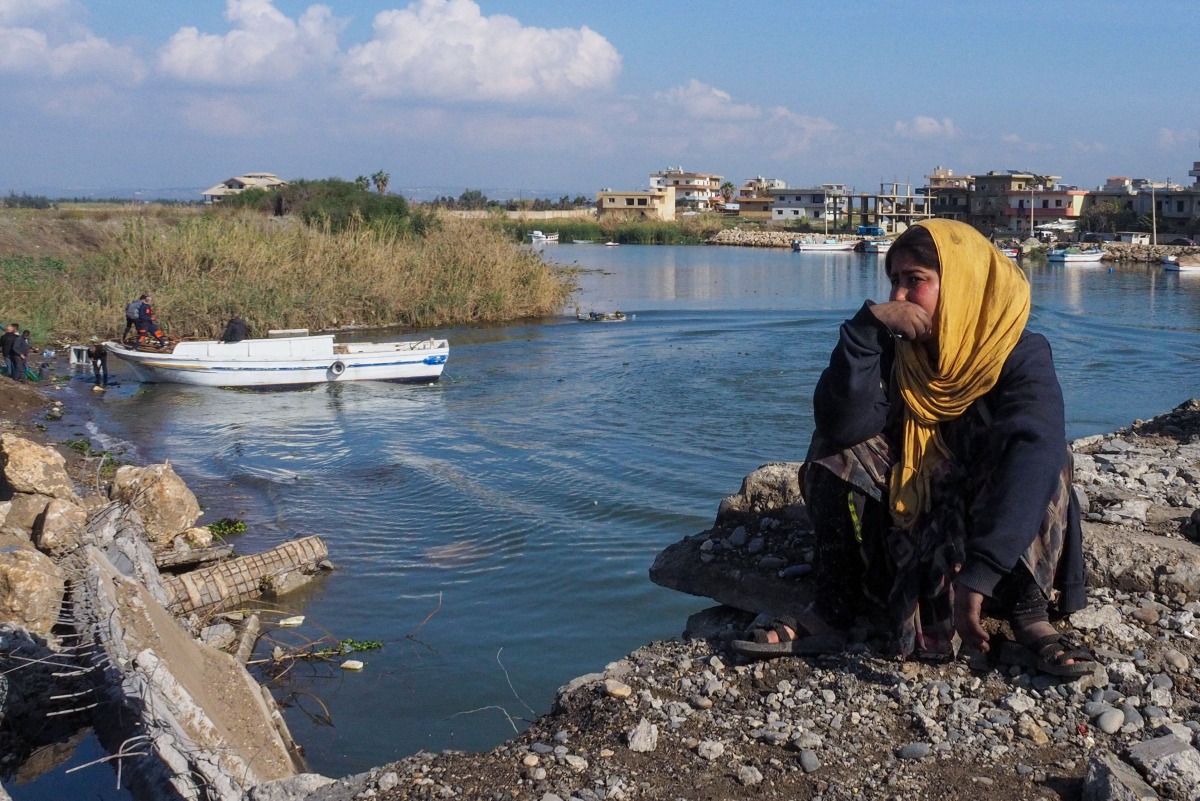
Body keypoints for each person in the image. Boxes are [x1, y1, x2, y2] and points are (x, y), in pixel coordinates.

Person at [733, 219, 1095, 677]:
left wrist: (982, 572)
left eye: (915, 281)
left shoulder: (1020, 354)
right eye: (894, 281)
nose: (898, 297)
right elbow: (842, 423)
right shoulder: (896, 351)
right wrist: (864, 331)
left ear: (962, 283)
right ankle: (834, 609)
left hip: (995, 545)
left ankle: (1028, 614)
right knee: (833, 448)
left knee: (1048, 452)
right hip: (919, 521)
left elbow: (1034, 450)